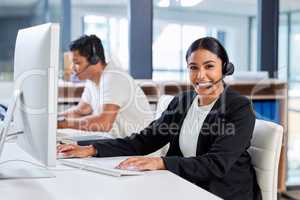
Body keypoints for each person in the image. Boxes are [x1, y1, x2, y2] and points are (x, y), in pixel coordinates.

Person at [57, 37, 262, 200]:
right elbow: (145, 140)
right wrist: (92, 149)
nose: (200, 76)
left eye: (209, 66)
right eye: (193, 67)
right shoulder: (184, 101)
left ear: (224, 67)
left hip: (222, 192)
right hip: (186, 185)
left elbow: (216, 164)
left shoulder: (239, 107)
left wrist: (161, 163)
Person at [58, 35, 153, 138]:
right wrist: (55, 118)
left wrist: (63, 124)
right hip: (119, 142)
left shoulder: (113, 78)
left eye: (77, 63)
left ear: (95, 60)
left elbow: (104, 123)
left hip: (139, 146)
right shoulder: (92, 80)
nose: (72, 68)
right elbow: (81, 110)